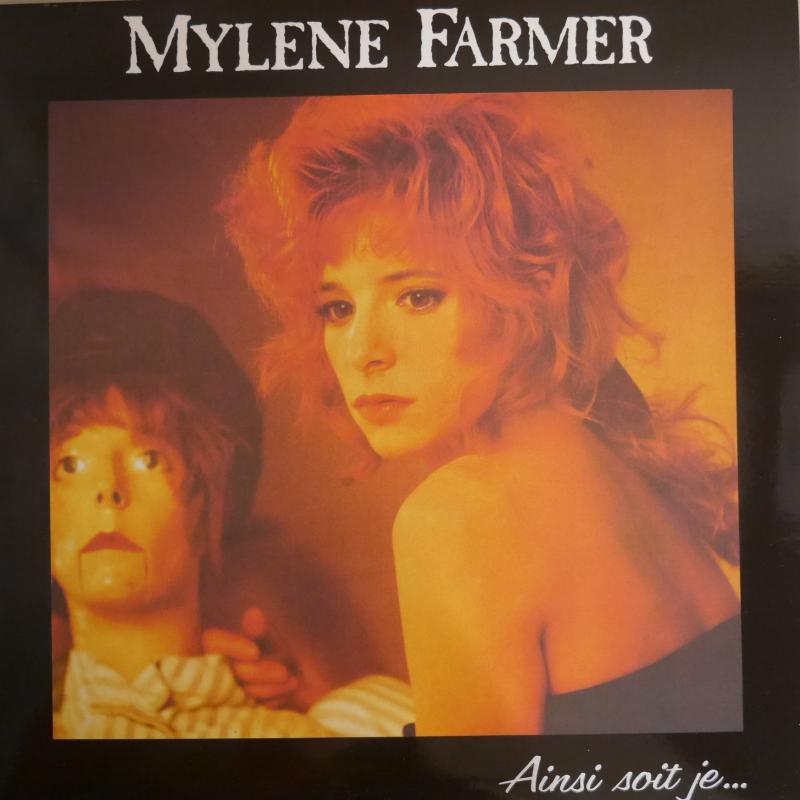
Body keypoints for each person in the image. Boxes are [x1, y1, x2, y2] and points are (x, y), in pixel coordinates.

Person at [224, 93, 742, 735]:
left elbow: (474, 780)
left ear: (523, 294)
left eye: (417, 296)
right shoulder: (629, 466)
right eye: (337, 308)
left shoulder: (461, 514)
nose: (362, 352)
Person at [50, 287, 412, 738]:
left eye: (150, 460)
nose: (108, 489)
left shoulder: (347, 727)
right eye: (69, 466)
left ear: (211, 501)